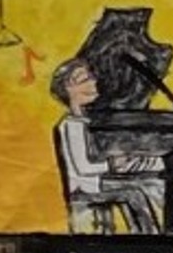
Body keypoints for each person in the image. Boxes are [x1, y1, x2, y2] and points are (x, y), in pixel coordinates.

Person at [51, 56, 164, 233]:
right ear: (69, 88)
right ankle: (150, 238)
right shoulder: (72, 125)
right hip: (84, 188)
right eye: (85, 79)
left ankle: (145, 235)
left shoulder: (86, 121)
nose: (94, 82)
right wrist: (112, 164)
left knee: (139, 189)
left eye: (92, 77)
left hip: (96, 183)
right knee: (134, 194)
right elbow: (83, 167)